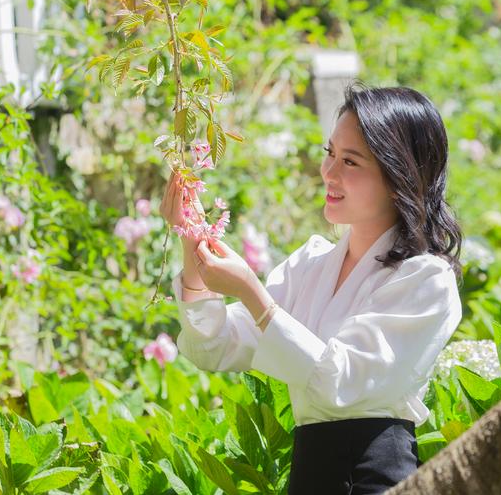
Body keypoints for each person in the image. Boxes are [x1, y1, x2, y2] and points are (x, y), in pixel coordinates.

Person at [160, 84, 463, 495]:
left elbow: (340, 382)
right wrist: (191, 242)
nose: (329, 173)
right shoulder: (312, 264)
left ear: (399, 177)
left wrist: (252, 292)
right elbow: (213, 348)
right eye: (330, 153)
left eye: (351, 161)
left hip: (378, 479)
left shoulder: (426, 280)